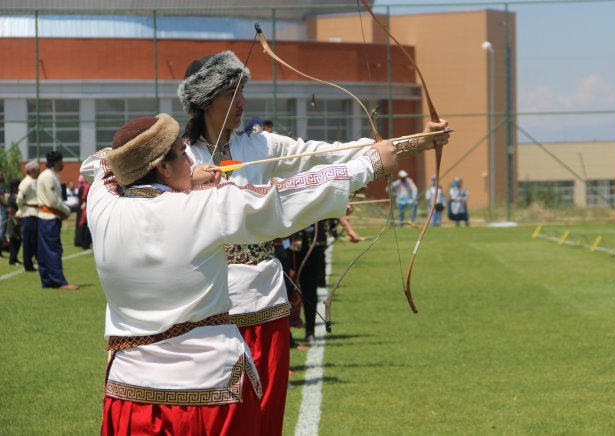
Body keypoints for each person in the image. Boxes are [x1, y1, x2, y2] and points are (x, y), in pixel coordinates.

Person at [178, 50, 449, 435]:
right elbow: (112, 172)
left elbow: (324, 153)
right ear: (205, 99)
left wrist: (415, 142)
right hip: (208, 305)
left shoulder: (261, 146)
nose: (242, 102)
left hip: (265, 300)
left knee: (266, 416)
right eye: (231, 93)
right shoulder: (178, 156)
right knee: (218, 420)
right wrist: (188, 181)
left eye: (243, 91)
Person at [82, 113, 398, 434]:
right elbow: (282, 196)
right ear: (162, 167)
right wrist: (369, 164)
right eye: (182, 153)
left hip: (129, 392)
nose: (192, 161)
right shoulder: (206, 207)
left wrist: (182, 178)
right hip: (210, 394)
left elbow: (99, 162)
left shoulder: (101, 201)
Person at [36, 151, 78, 290]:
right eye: (61, 161)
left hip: (46, 217)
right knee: (53, 249)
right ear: (56, 162)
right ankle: (58, 281)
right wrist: (66, 210)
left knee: (44, 250)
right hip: (50, 217)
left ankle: (47, 280)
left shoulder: (50, 175)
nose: (62, 164)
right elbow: (54, 201)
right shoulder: (48, 176)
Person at [17, 160, 40, 272]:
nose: (39, 171)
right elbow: (20, 198)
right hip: (29, 213)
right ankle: (28, 264)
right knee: (29, 241)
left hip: (34, 213)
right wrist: (22, 209)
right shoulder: (26, 182)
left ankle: (32, 262)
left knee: (33, 240)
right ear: (31, 171)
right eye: (37, 169)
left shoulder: (33, 181)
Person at [6, 179, 22, 266]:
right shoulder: (12, 197)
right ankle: (12, 260)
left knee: (18, 240)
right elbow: (10, 210)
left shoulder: (15, 196)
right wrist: (16, 221)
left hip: (17, 220)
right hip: (13, 221)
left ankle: (15, 258)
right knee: (14, 240)